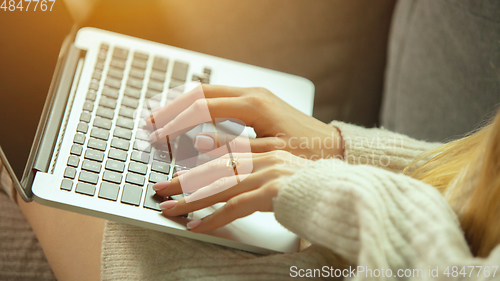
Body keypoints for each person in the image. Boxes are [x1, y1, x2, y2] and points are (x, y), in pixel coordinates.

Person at [3, 1, 500, 280]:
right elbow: (470, 190)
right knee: (36, 27)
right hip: (335, 247)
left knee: (17, 44)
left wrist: (337, 189)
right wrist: (335, 147)